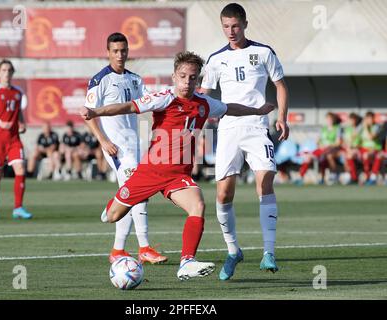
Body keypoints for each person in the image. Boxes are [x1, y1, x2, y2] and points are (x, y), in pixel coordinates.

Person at [80, 51, 275, 280]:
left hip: (177, 176)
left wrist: (258, 111)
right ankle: (114, 204)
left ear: (198, 79)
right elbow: (127, 107)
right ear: (174, 76)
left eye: (193, 77)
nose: (187, 82)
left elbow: (230, 108)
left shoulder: (204, 103)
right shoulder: (164, 98)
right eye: (182, 76)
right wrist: (94, 112)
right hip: (150, 171)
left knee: (198, 205)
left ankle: (186, 262)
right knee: (111, 217)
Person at [198, 3, 289, 280]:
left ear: (245, 24)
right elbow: (203, 94)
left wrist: (282, 117)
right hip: (228, 129)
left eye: (235, 26)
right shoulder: (215, 59)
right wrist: (193, 125)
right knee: (224, 194)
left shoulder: (263, 52)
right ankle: (233, 250)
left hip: (257, 126)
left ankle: (268, 252)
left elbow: (281, 85)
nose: (231, 31)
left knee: (265, 182)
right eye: (226, 27)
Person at [83, 32, 167, 264]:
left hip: (136, 144)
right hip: (116, 148)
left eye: (123, 50)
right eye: (115, 51)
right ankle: (144, 248)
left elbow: (151, 103)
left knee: (131, 196)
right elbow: (87, 113)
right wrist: (103, 141)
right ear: (108, 52)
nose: (120, 55)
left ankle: (117, 250)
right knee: (137, 194)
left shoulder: (135, 79)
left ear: (128, 51)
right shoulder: (100, 80)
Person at [0, 59, 32, 220]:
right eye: (3, 70)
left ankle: (18, 207)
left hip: (14, 139)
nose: (7, 73)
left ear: (12, 73)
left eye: (9, 70)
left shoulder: (17, 92)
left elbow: (18, 113)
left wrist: (21, 123)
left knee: (21, 169)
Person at [299, 112, 343, 184]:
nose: (329, 121)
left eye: (330, 119)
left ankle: (333, 175)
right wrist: (320, 145)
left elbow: (338, 143)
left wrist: (329, 145)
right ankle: (301, 176)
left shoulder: (337, 128)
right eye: (327, 119)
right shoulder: (324, 129)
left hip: (331, 149)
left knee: (327, 156)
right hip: (322, 149)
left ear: (333, 120)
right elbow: (318, 141)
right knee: (309, 157)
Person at [361, 111, 384, 185]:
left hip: (375, 149)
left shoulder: (377, 126)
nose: (369, 120)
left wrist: (366, 128)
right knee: (350, 155)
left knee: (373, 155)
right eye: (368, 119)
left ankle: (372, 176)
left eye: (371, 118)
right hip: (363, 149)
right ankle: (366, 176)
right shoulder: (362, 127)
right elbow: (354, 137)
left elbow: (371, 137)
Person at [342, 113, 362, 184]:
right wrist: (347, 148)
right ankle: (350, 176)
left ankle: (354, 177)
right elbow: (344, 142)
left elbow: (360, 142)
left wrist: (352, 148)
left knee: (349, 156)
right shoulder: (347, 129)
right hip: (347, 149)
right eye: (350, 120)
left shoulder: (359, 129)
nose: (351, 121)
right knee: (345, 156)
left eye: (353, 120)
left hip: (357, 149)